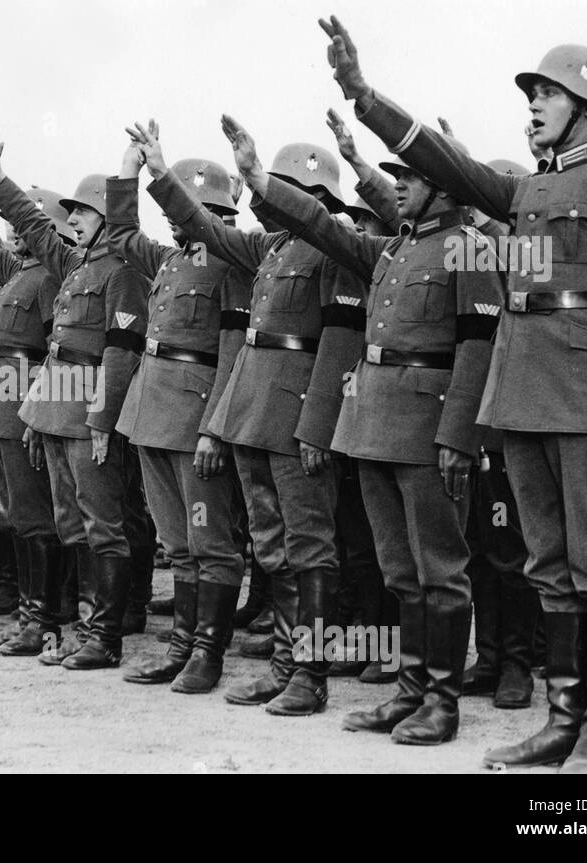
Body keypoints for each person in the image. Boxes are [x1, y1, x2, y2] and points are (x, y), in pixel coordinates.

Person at [321, 16, 587, 770]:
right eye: (532, 93)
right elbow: (448, 165)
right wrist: (364, 95)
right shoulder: (526, 192)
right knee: (548, 566)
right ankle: (563, 719)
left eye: (548, 92)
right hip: (521, 402)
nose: (533, 103)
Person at [221, 111, 504, 743]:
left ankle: (441, 701)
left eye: (410, 174)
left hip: (428, 431)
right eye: (396, 174)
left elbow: (479, 347)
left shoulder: (471, 248)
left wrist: (460, 438)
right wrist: (256, 178)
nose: (396, 183)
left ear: (447, 186)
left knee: (440, 568)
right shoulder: (396, 248)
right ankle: (409, 691)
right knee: (399, 570)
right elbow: (322, 224)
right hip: (373, 423)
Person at [134, 121, 365, 712]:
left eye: (284, 188)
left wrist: (317, 426)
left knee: (310, 546)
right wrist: (159, 174)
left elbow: (338, 346)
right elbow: (204, 227)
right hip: (254, 416)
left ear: (316, 199)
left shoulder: (333, 248)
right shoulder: (271, 249)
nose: (270, 198)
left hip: (296, 421)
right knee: (271, 545)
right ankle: (285, 663)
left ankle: (309, 676)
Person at [0, 129, 152, 670]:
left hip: (88, 410)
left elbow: (120, 353)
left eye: (84, 212)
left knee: (102, 522)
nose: (72, 219)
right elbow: (32, 224)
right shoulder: (76, 267)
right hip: (56, 405)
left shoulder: (124, 273)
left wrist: (103, 420)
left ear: (108, 217)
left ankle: (105, 636)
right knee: (69, 522)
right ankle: (80, 627)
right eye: (71, 212)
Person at [106, 138, 250, 694]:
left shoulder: (231, 263)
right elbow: (119, 234)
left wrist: (216, 425)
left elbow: (234, 354)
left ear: (210, 211)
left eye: (180, 206)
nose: (171, 219)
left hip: (194, 418)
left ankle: (207, 654)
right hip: (151, 410)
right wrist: (127, 170)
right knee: (178, 541)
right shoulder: (169, 261)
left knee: (210, 540)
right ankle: (180, 646)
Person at [0, 175, 76, 656]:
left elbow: (55, 351)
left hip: (22, 411)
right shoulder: (13, 276)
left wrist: (37, 415)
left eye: (20, 226)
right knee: (17, 520)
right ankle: (29, 615)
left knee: (35, 519)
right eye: (8, 225)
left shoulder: (50, 279)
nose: (11, 233)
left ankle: (43, 623)